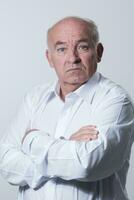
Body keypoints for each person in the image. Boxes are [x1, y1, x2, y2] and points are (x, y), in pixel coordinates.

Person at [0, 16, 134, 200]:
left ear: (99, 52)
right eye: (61, 49)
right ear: (49, 58)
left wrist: (33, 140)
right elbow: (5, 162)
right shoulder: (34, 98)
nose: (72, 58)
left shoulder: (116, 100)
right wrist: (67, 146)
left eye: (82, 47)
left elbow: (87, 165)